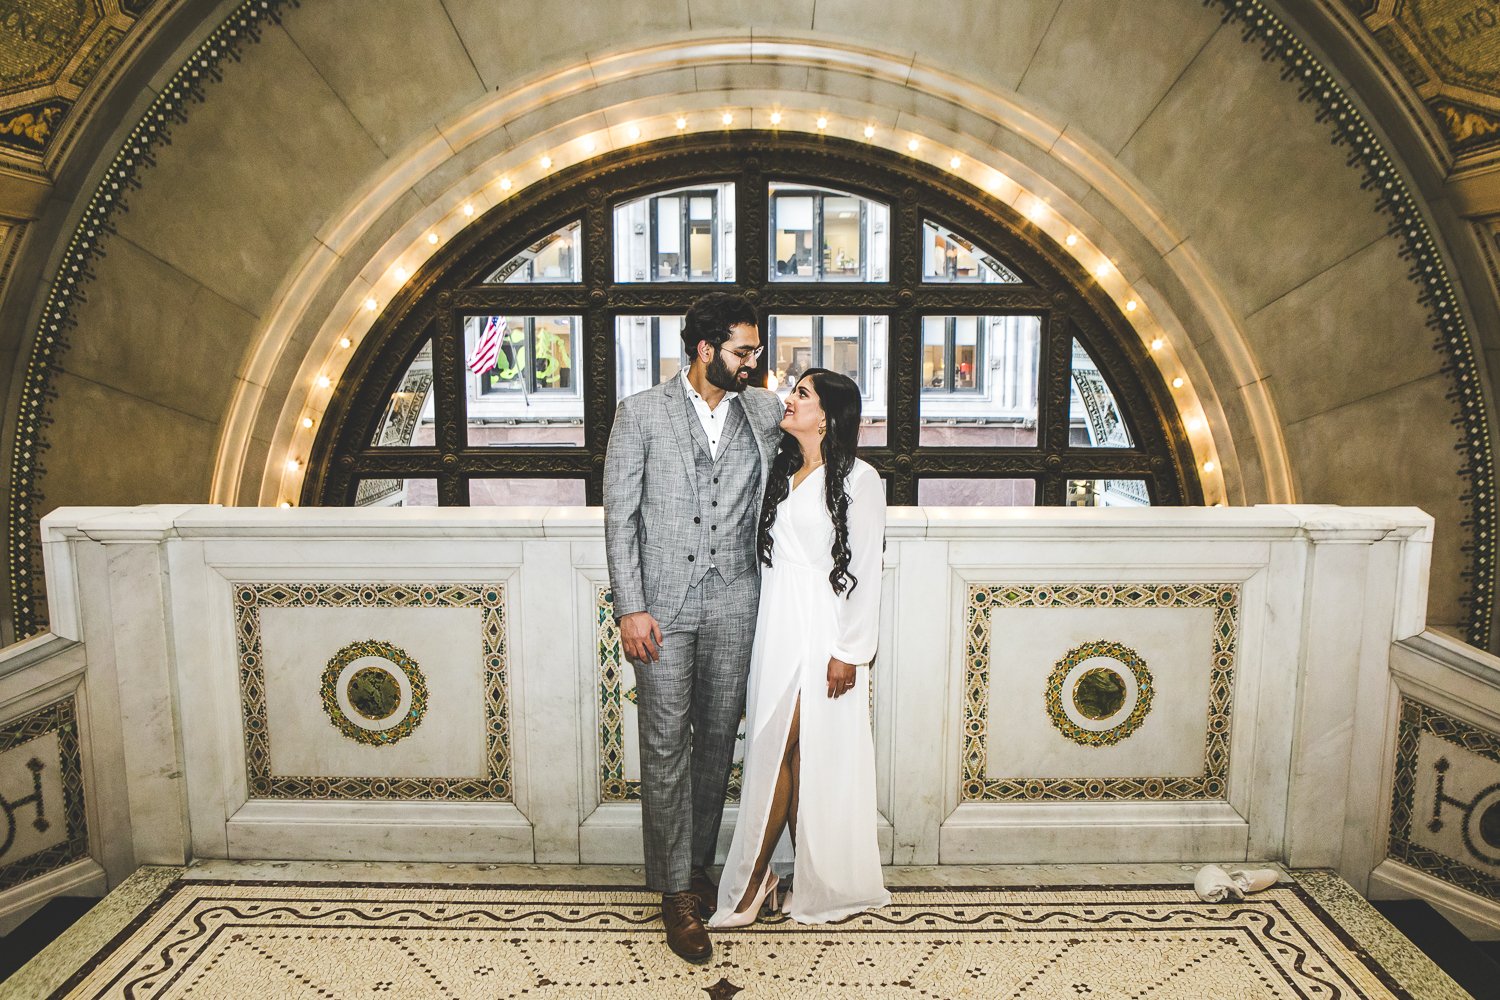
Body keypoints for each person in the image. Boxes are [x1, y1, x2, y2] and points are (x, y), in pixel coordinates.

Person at [603, 292, 784, 962]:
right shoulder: (641, 413)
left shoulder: (764, 410)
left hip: (738, 600)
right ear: (706, 350)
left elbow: (827, 439)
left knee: (715, 743)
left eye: (756, 351)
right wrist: (630, 607)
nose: (754, 362)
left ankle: (697, 868)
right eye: (743, 351)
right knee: (663, 743)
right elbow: (619, 518)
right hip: (662, 607)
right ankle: (676, 892)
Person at [710, 368, 890, 928]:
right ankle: (791, 877)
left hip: (821, 629)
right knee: (785, 751)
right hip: (777, 624)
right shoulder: (784, 468)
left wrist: (850, 652)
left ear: (829, 415)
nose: (790, 399)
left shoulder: (861, 479)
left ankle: (751, 884)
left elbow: (863, 569)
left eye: (803, 394)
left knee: (780, 745)